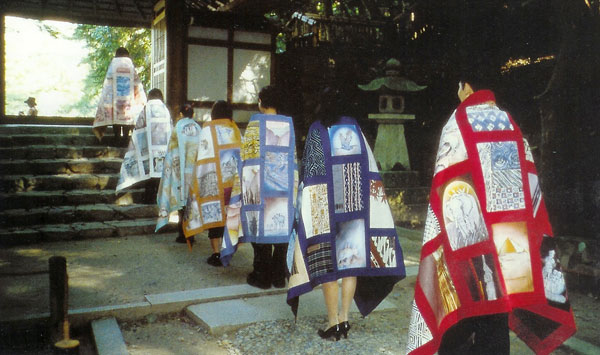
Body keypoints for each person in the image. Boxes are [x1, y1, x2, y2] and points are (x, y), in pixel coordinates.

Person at [406, 67, 576, 354]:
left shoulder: (457, 122)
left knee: (462, 313)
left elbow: (444, 187)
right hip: (510, 243)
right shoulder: (510, 123)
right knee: (497, 316)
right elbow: (528, 185)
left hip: (467, 244)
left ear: (466, 86)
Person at [286, 86, 406, 341]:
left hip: (326, 210)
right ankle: (344, 319)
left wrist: (304, 205)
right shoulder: (355, 130)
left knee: (329, 267)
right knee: (350, 266)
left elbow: (312, 172)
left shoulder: (319, 129)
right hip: (354, 210)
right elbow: (369, 169)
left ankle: (332, 324)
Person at [220, 85, 299, 289]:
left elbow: (247, 158)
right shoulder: (288, 125)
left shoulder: (255, 124)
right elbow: (293, 160)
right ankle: (279, 275)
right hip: (283, 189)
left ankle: (261, 275)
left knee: (259, 228)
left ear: (261, 103)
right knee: (282, 230)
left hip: (259, 188)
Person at [183, 100, 242, 267]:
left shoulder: (207, 130)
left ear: (213, 113)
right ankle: (228, 248)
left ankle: (216, 253)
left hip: (213, 182)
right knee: (230, 216)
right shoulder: (235, 130)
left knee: (215, 217)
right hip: (233, 183)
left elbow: (200, 155)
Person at [115, 88, 172, 204]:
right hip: (163, 149)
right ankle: (160, 198)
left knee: (150, 174)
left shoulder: (146, 109)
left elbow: (139, 127)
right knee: (160, 176)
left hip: (149, 149)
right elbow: (171, 127)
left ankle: (148, 198)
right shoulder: (165, 109)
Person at [155, 104, 201, 247]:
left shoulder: (177, 128)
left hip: (179, 171)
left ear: (181, 114)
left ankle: (182, 234)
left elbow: (172, 151)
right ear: (192, 115)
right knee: (192, 202)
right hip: (194, 171)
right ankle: (191, 234)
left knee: (182, 202)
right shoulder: (199, 128)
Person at [93, 47, 146, 146]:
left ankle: (117, 137)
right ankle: (126, 138)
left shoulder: (114, 64)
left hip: (115, 101)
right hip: (128, 102)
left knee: (115, 117)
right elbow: (136, 83)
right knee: (128, 118)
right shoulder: (129, 64)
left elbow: (108, 84)